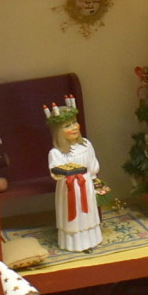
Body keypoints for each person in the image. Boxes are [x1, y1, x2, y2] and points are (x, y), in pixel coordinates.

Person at [46, 96, 106, 252]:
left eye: (74, 123)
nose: (73, 127)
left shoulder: (86, 144)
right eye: (67, 125)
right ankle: (74, 242)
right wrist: (63, 174)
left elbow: (92, 165)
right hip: (69, 189)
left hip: (86, 185)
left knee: (88, 213)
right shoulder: (56, 153)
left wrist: (94, 181)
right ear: (59, 131)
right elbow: (55, 172)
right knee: (74, 215)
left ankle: (91, 239)